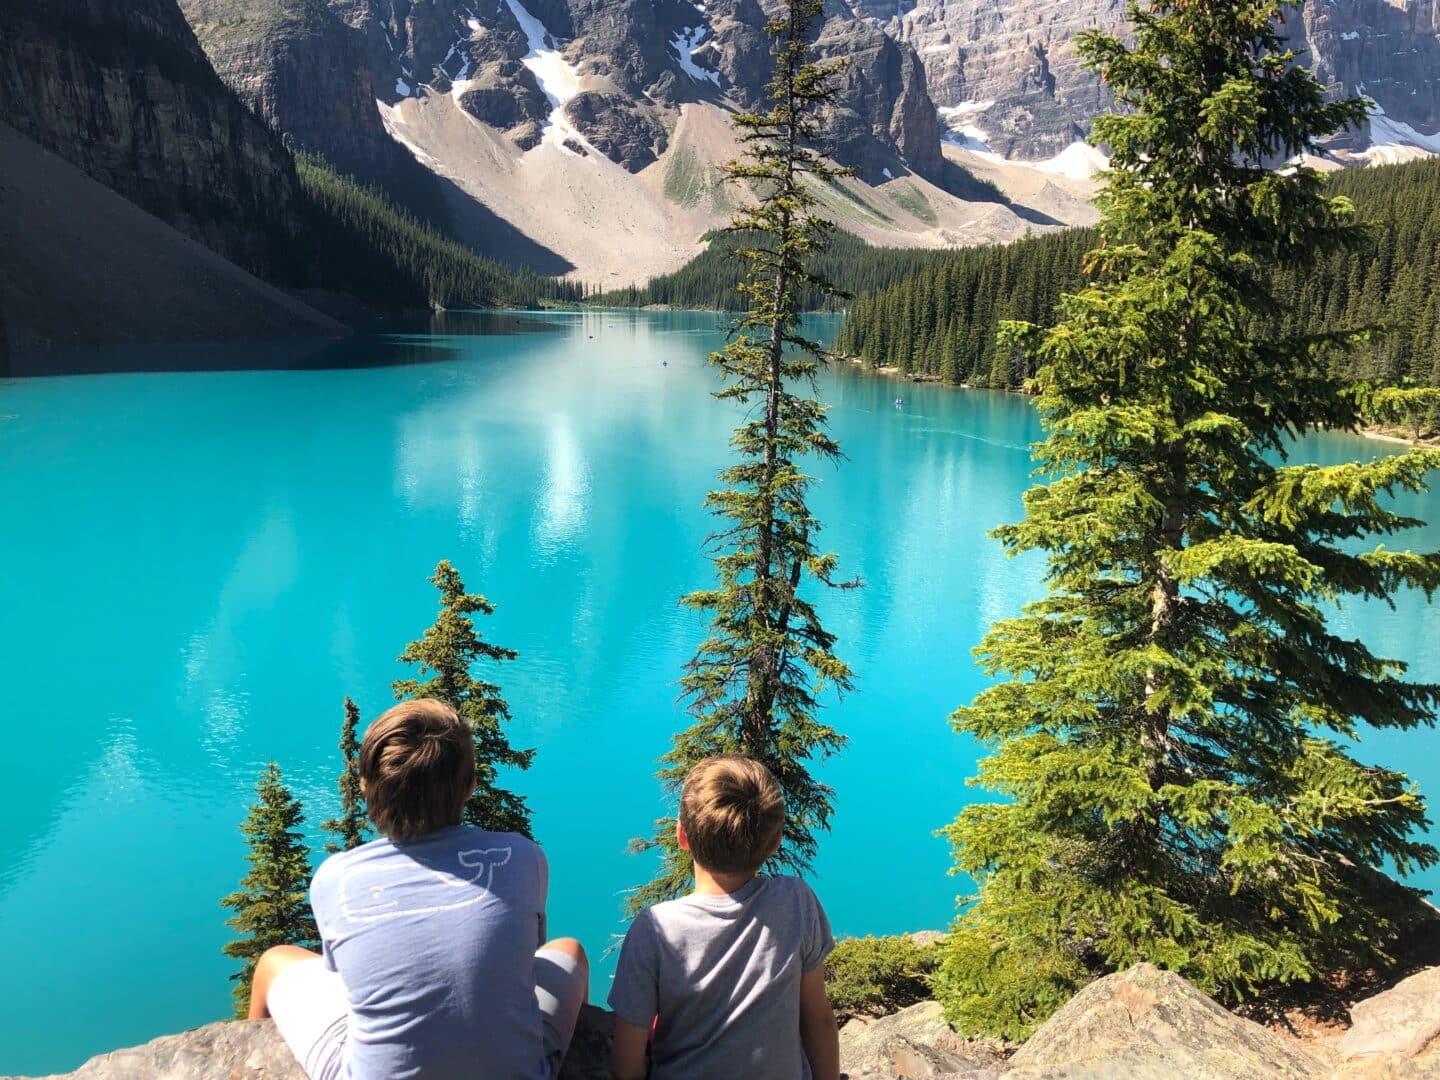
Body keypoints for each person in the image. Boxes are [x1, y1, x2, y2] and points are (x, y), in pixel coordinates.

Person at [247, 699, 588, 1080]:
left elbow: (342, 974)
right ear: (471, 786)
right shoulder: (523, 856)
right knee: (568, 950)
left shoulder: (335, 878)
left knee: (274, 961)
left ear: (365, 787)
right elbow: (525, 956)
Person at [608, 755, 840, 1080]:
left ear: (682, 836)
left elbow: (626, 1067)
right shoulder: (796, 900)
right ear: (775, 843)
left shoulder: (655, 928)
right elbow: (818, 1021)